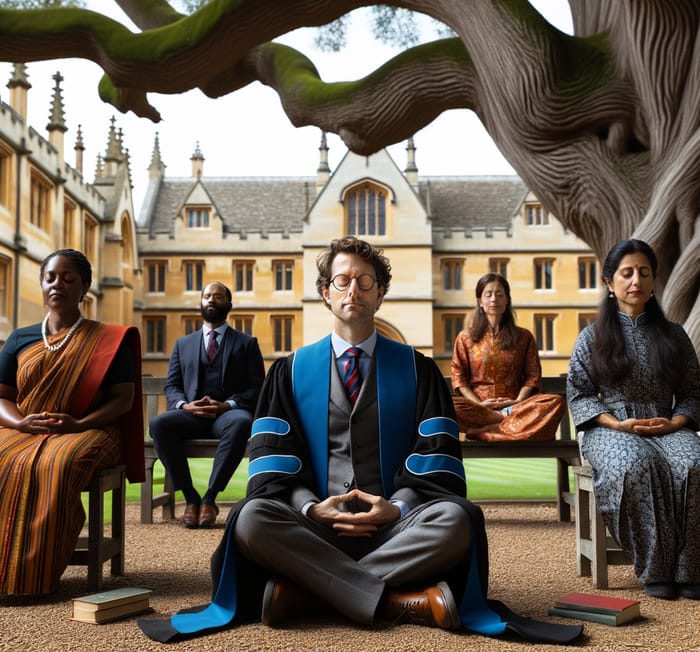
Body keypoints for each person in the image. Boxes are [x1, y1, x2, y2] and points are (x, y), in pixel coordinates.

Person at [139, 236, 581, 645]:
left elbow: (437, 456)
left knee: (458, 520)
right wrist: (312, 507)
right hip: (314, 525)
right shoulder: (289, 372)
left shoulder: (418, 370)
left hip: (396, 528)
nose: (354, 290)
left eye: (365, 281)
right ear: (326, 293)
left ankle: (309, 592)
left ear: (380, 292)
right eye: (343, 280)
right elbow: (272, 460)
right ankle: (400, 600)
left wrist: (398, 506)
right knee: (252, 518)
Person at [0, 249, 143, 595]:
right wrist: (19, 424)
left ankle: (35, 575)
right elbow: (2, 396)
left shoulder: (108, 340)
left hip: (91, 429)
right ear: (42, 284)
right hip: (27, 429)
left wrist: (77, 424)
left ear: (85, 287)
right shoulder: (20, 338)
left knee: (57, 462)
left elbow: (123, 400)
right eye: (50, 278)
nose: (57, 285)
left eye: (68, 279)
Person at [567, 239, 700, 600]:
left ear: (654, 280)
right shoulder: (591, 337)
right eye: (626, 273)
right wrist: (615, 424)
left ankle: (690, 570)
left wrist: (675, 422)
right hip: (609, 427)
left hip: (667, 425)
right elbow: (579, 394)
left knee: (694, 463)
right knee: (636, 463)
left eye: (644, 272)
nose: (635, 280)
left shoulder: (674, 335)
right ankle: (655, 569)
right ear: (610, 282)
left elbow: (692, 391)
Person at [149, 282, 265, 528]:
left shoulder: (246, 343)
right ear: (200, 303)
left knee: (242, 421)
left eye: (218, 297)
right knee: (159, 423)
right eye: (207, 296)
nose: (211, 300)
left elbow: (256, 387)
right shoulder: (183, 344)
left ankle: (210, 496)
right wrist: (184, 406)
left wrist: (227, 405)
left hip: (227, 417)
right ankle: (191, 498)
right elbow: (172, 385)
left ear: (229, 305)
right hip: (191, 416)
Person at [451, 273, 565, 441]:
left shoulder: (524, 337)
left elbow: (532, 376)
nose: (493, 300)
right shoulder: (465, 338)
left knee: (555, 402)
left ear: (507, 300)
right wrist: (479, 405)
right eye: (488, 295)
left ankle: (489, 428)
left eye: (499, 294)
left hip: (514, 407)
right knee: (448, 405)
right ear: (480, 302)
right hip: (479, 409)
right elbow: (458, 377)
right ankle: (501, 423)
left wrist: (517, 402)